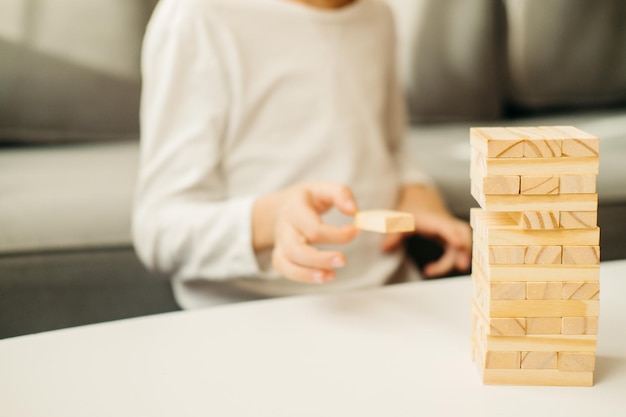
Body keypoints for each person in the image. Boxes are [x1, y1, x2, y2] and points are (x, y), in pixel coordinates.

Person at [133, 0, 472, 309]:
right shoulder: (197, 17)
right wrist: (270, 219)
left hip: (389, 292)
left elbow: (388, 148)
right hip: (254, 311)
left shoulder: (377, 15)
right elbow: (158, 231)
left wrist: (416, 192)